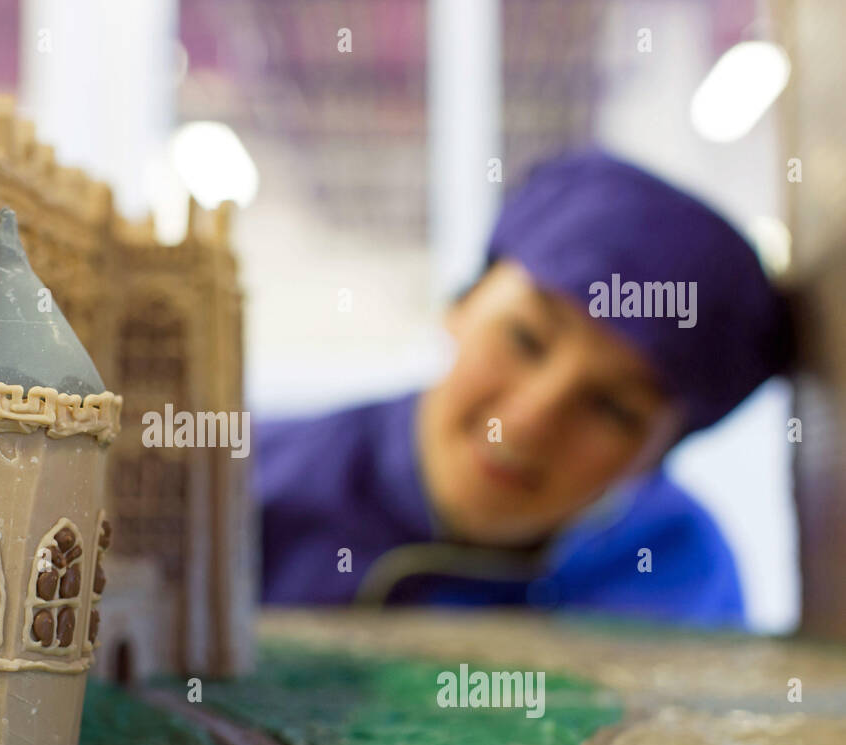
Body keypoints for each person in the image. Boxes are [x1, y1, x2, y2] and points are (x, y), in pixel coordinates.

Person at [256, 150, 789, 629]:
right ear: (461, 305)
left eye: (613, 408)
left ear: (658, 456)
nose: (529, 421)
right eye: (525, 339)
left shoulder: (682, 576)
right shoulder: (240, 490)